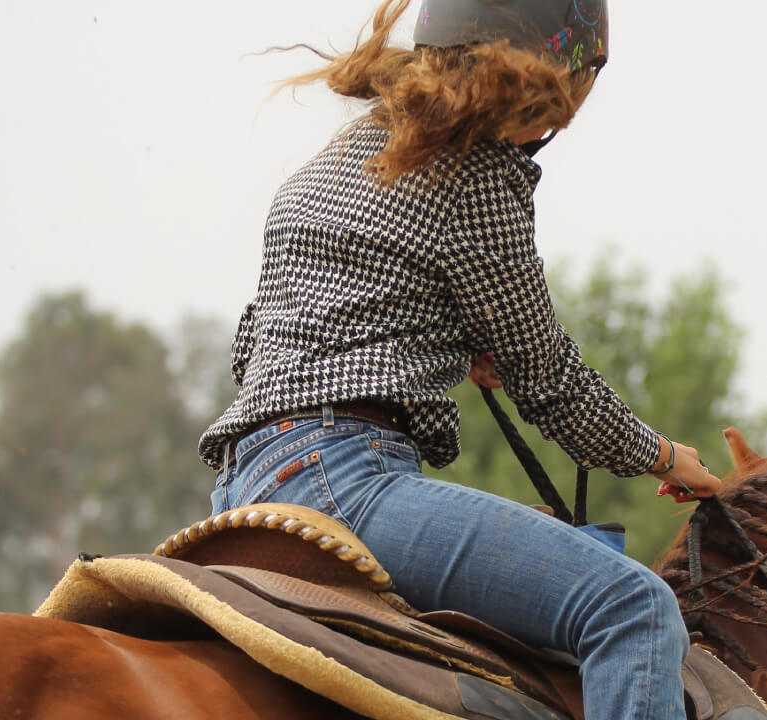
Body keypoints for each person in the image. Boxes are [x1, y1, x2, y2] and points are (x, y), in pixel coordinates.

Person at [198, 1, 722, 718]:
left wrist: (439, 333)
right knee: (633, 608)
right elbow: (550, 383)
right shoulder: (477, 178)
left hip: (241, 489)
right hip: (349, 482)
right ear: (548, 77)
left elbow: (258, 343)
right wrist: (661, 455)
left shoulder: (345, 151)